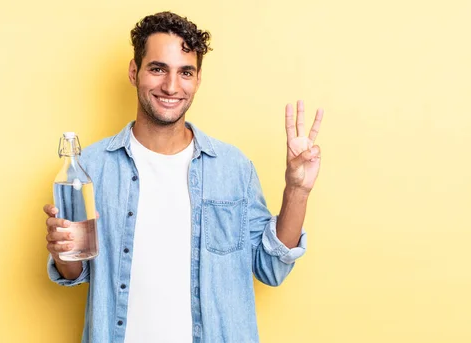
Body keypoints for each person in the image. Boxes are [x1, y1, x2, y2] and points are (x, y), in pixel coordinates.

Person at [43, 11, 323, 343]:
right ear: (134, 72)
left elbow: (271, 269)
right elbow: (76, 271)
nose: (171, 86)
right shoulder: (90, 166)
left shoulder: (232, 167)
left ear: (198, 79)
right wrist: (63, 252)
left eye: (185, 72)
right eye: (158, 68)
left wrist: (297, 190)